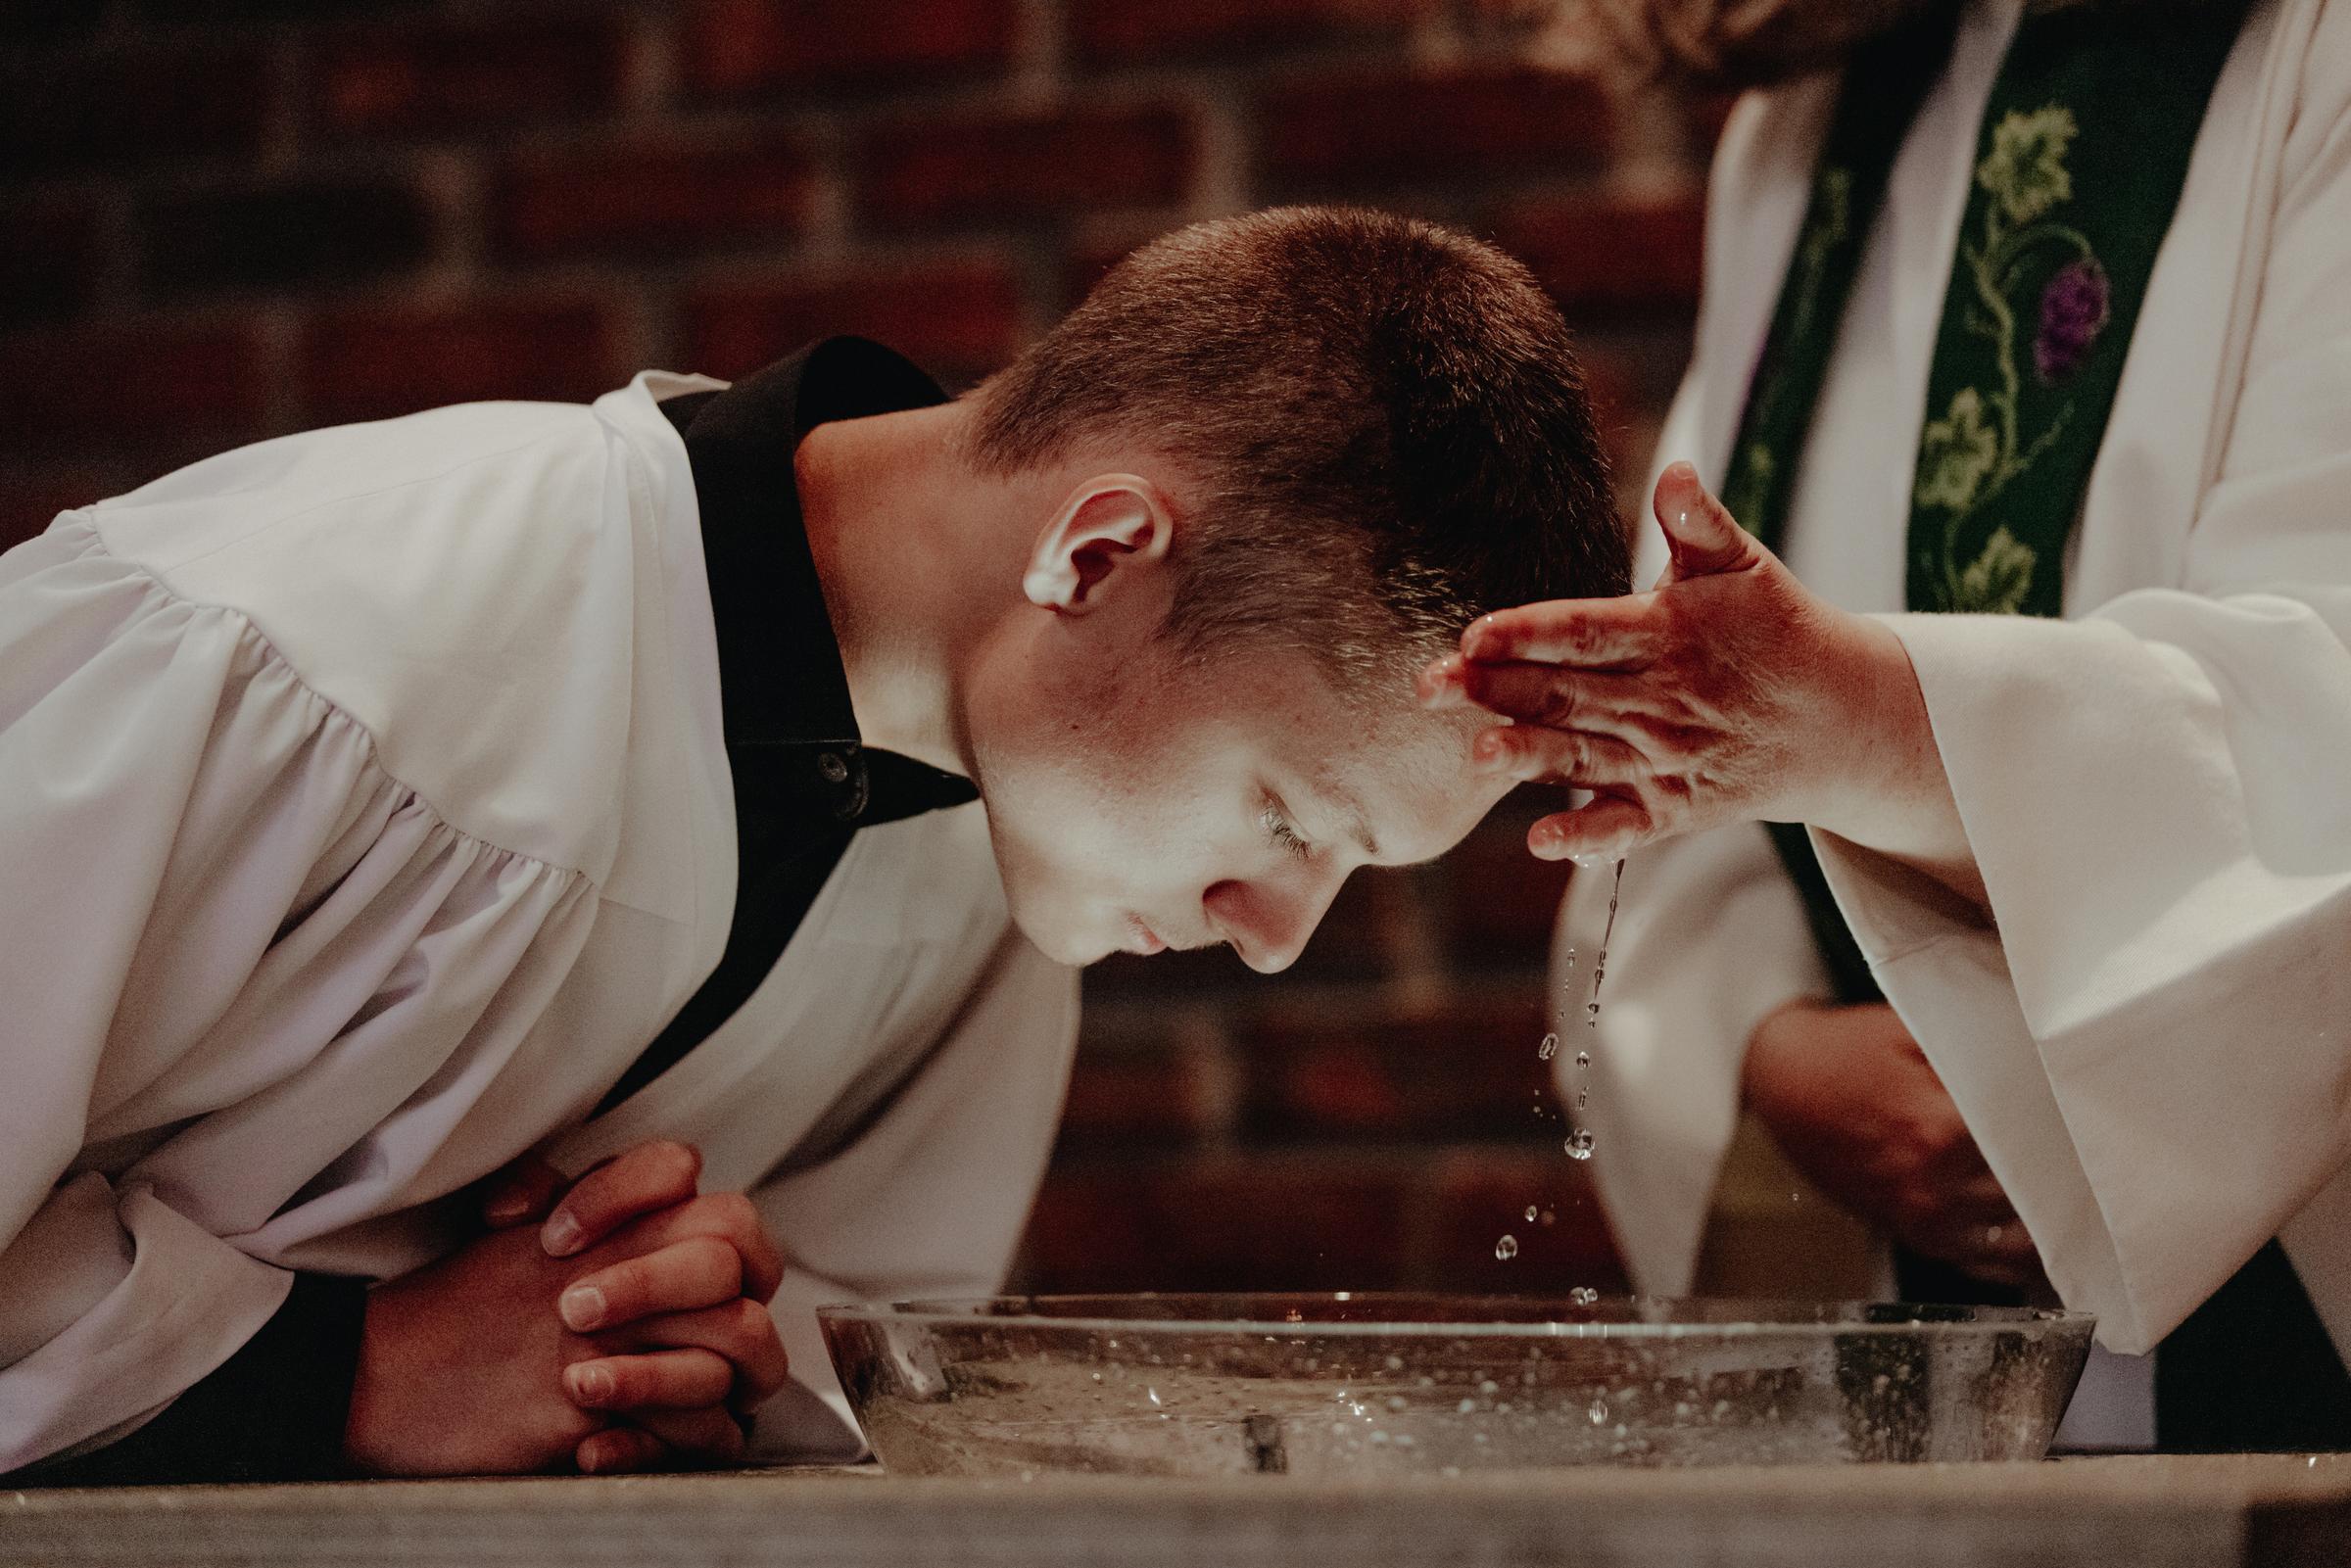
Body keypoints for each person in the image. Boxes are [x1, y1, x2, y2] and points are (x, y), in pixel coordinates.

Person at [0, 205, 1630, 1483]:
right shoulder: (326, 633)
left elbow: (857, 1393)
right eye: (1285, 814)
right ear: (1096, 555)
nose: (1272, 934)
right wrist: (340, 1374)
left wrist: (693, 1349)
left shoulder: (999, 865)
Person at [1424, 0, 2351, 1450]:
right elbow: (1686, 698)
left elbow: (2324, 695)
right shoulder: (1808, 121)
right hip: (1923, 1322)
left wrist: (1860, 723)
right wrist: (1765, 1052)